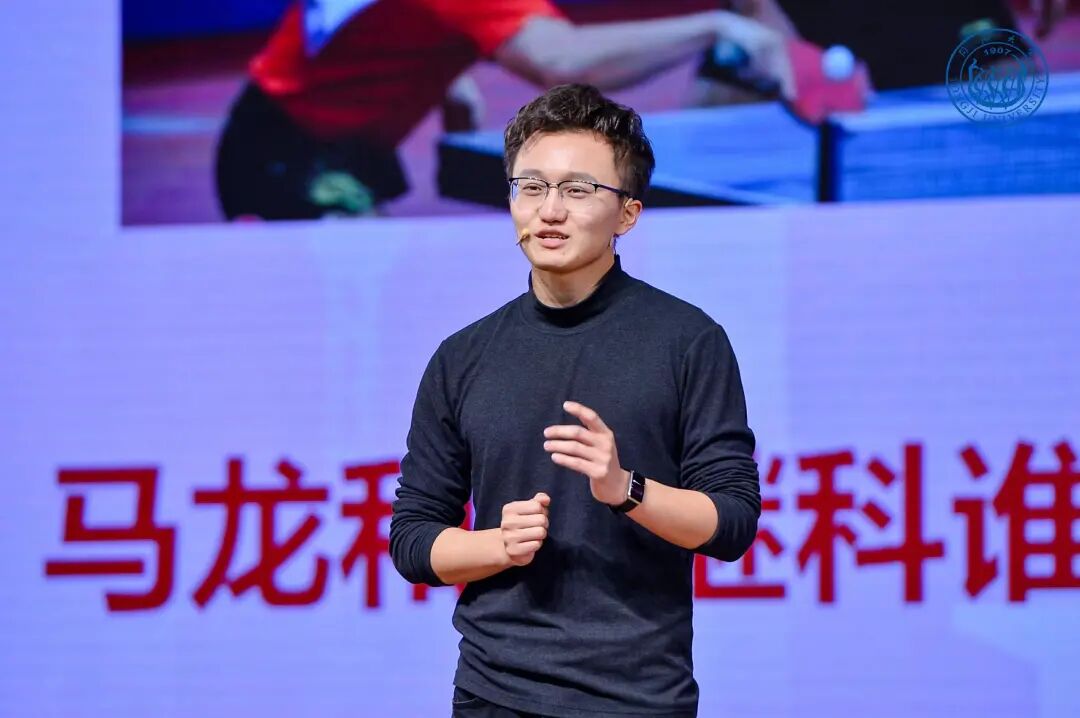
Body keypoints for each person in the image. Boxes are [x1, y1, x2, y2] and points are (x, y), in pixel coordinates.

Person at [389, 83, 761, 717]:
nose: (550, 210)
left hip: (637, 697)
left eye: (578, 189)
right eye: (531, 187)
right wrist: (496, 546)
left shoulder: (688, 341)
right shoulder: (463, 356)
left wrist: (625, 488)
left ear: (627, 214)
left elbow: (731, 522)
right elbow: (413, 536)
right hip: (493, 694)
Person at [215, 0, 794, 220]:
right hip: (294, 166)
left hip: (279, 130)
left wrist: (444, 68)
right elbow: (562, 61)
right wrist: (715, 27)